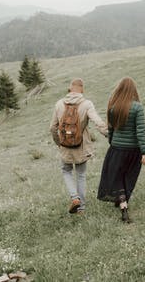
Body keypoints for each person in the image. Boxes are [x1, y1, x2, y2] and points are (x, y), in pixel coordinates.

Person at [50, 78, 108, 214]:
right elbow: (98, 122)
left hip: (65, 147)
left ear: (70, 89)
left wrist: (59, 143)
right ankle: (81, 207)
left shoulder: (59, 104)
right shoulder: (87, 104)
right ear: (82, 89)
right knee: (81, 175)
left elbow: (52, 128)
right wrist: (109, 134)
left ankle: (74, 197)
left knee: (66, 170)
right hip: (81, 147)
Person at [97, 77, 145, 223]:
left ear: (119, 89)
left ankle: (122, 205)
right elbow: (141, 132)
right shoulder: (138, 107)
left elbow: (111, 131)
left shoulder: (114, 108)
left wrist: (112, 144)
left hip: (117, 150)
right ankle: (123, 202)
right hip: (134, 151)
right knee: (128, 177)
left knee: (118, 177)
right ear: (133, 90)